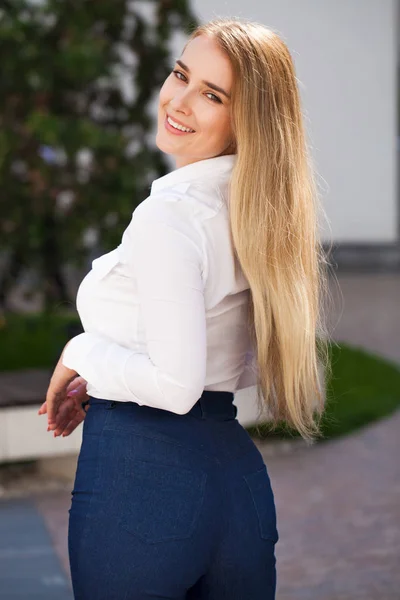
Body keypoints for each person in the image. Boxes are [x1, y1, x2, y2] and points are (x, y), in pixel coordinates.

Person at [38, 17, 330, 600]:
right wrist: (113, 366)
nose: (179, 100)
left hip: (143, 483)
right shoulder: (255, 212)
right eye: (181, 75)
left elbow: (175, 386)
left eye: (212, 95)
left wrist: (84, 351)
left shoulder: (172, 215)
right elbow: (221, 360)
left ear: (246, 120)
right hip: (235, 486)